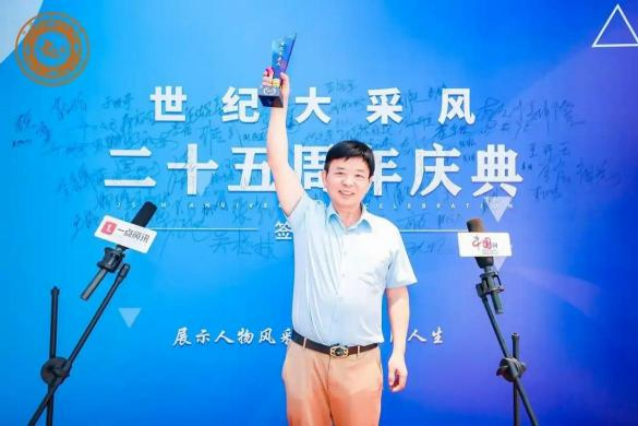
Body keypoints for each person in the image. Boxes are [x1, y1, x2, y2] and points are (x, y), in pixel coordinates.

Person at [263, 67, 417, 426]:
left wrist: (399, 353)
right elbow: (277, 162)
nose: (348, 183)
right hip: (305, 360)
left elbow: (397, 295)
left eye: (359, 175)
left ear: (370, 182)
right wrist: (279, 105)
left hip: (361, 363)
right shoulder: (307, 216)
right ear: (324, 177)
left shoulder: (386, 233)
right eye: (340, 173)